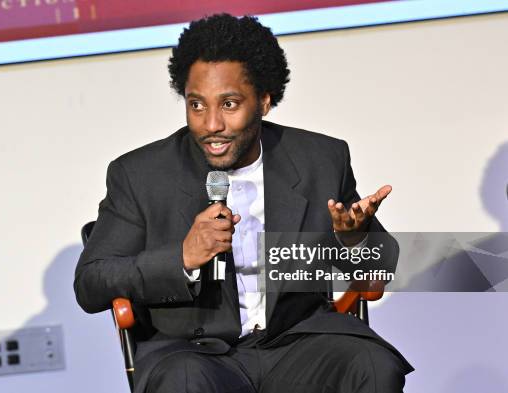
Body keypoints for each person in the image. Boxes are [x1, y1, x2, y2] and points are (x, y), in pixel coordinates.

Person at [75, 13, 413, 393]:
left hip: (297, 341)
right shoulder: (139, 174)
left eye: (230, 104)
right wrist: (181, 258)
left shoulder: (319, 158)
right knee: (183, 381)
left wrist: (354, 240)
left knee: (372, 365)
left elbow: (377, 272)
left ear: (265, 101)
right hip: (195, 354)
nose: (211, 124)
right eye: (197, 105)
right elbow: (91, 283)